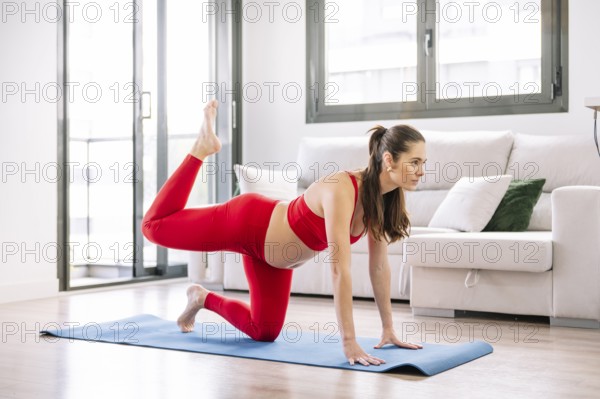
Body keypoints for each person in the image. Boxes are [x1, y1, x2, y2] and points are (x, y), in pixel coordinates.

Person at [142, 100, 426, 367]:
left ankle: (201, 298)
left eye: (423, 163)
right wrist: (349, 342)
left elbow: (378, 267)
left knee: (263, 331)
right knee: (153, 227)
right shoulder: (343, 188)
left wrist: (388, 329)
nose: (421, 171)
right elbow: (340, 270)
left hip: (275, 260)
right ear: (389, 160)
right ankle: (200, 149)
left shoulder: (382, 201)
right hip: (248, 223)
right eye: (414, 162)